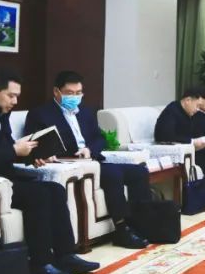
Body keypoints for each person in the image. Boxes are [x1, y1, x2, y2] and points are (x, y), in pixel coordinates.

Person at [0, 67, 99, 274]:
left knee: (54, 188)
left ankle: (65, 255)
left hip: (2, 175)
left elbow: (4, 150)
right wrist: (14, 150)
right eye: (11, 95)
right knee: (38, 195)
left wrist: (30, 155)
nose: (15, 101)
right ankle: (40, 263)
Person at [25, 70, 150, 249]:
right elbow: (35, 144)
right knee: (113, 174)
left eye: (78, 93)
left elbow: (99, 138)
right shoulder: (40, 114)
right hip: (70, 164)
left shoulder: (85, 111)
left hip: (91, 159)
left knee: (139, 171)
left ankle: (141, 224)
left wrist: (89, 149)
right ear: (56, 91)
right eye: (69, 93)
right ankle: (121, 230)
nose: (74, 97)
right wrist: (46, 154)